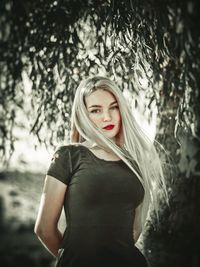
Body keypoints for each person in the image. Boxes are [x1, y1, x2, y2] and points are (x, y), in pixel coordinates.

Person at [34, 76, 168, 267]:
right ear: (84, 116)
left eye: (113, 107)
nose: (107, 117)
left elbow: (134, 230)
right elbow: (44, 229)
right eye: (96, 110)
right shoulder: (69, 156)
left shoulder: (136, 162)